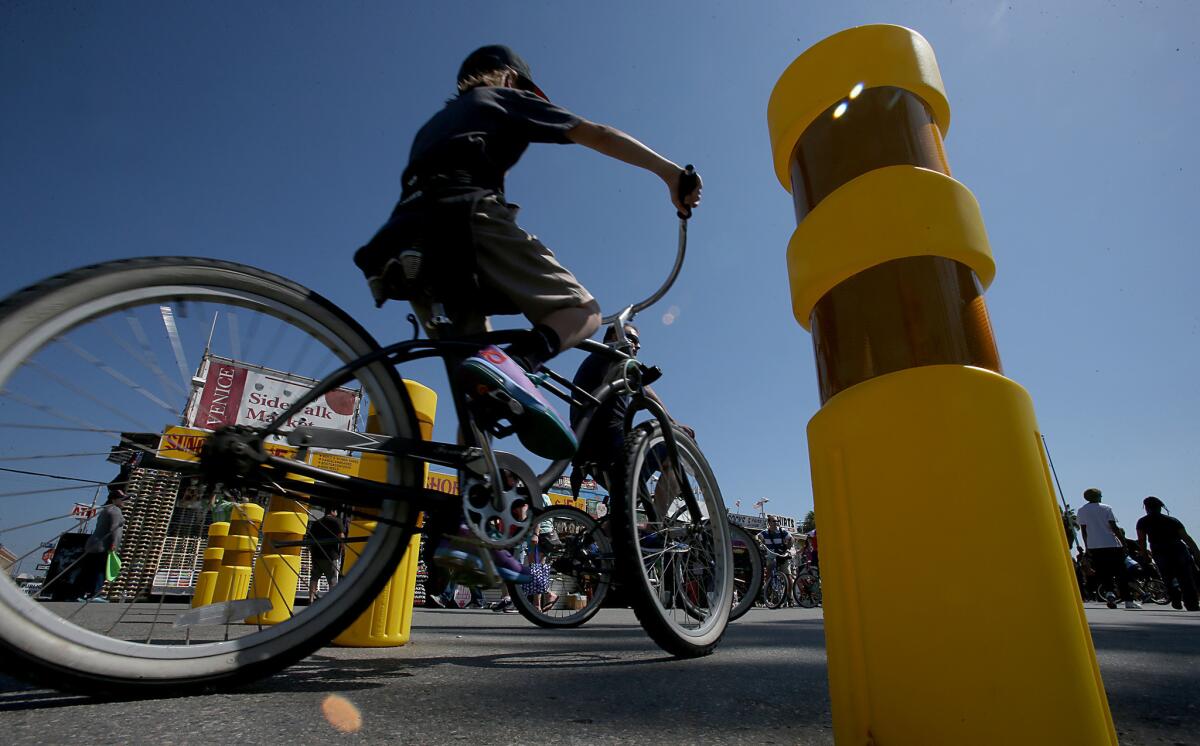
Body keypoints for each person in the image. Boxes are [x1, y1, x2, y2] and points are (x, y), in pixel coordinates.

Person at [355, 45, 700, 586]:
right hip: (465, 218)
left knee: (473, 401)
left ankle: (471, 531)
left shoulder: (438, 122)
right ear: (514, 77)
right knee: (580, 309)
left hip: (407, 246)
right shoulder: (505, 98)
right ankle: (519, 361)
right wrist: (669, 174)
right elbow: (598, 133)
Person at [1076, 487, 1139, 609]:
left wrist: (1087, 546)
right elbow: (1114, 526)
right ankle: (1128, 600)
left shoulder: (1082, 510)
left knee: (1104, 572)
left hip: (1095, 546)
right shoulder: (1106, 508)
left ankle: (1110, 594)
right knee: (1121, 572)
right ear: (1098, 496)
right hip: (1111, 544)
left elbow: (1084, 530)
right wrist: (1123, 542)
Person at [1135, 496, 1199, 611]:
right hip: (1178, 548)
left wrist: (1145, 555)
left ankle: (1175, 598)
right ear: (1160, 507)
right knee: (1186, 577)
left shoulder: (1143, 522)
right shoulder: (1172, 520)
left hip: (1159, 550)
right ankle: (1191, 603)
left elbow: (1141, 540)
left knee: (1167, 576)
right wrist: (1196, 551)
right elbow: (1185, 537)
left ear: (1146, 508)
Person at [79, 490, 130, 602]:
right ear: (114, 499)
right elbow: (114, 530)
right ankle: (95, 594)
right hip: (103, 545)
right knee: (100, 570)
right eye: (123, 499)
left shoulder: (105, 510)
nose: (125, 502)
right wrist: (114, 546)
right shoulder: (115, 511)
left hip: (92, 544)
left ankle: (82, 593)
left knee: (90, 570)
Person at [307, 508, 344, 603]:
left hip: (317, 555)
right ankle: (331, 601)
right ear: (333, 511)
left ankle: (311, 599)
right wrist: (343, 549)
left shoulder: (316, 523)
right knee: (332, 579)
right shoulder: (336, 521)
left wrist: (312, 555)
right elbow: (341, 537)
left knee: (314, 578)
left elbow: (310, 542)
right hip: (331, 555)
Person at [758, 516, 793, 583]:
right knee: (768, 572)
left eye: (777, 521)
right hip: (771, 555)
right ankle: (768, 590)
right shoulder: (765, 532)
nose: (776, 522)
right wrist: (759, 541)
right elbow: (758, 537)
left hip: (782, 555)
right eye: (774, 521)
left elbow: (791, 539)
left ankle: (789, 593)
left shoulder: (782, 531)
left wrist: (788, 548)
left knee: (788, 575)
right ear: (769, 522)